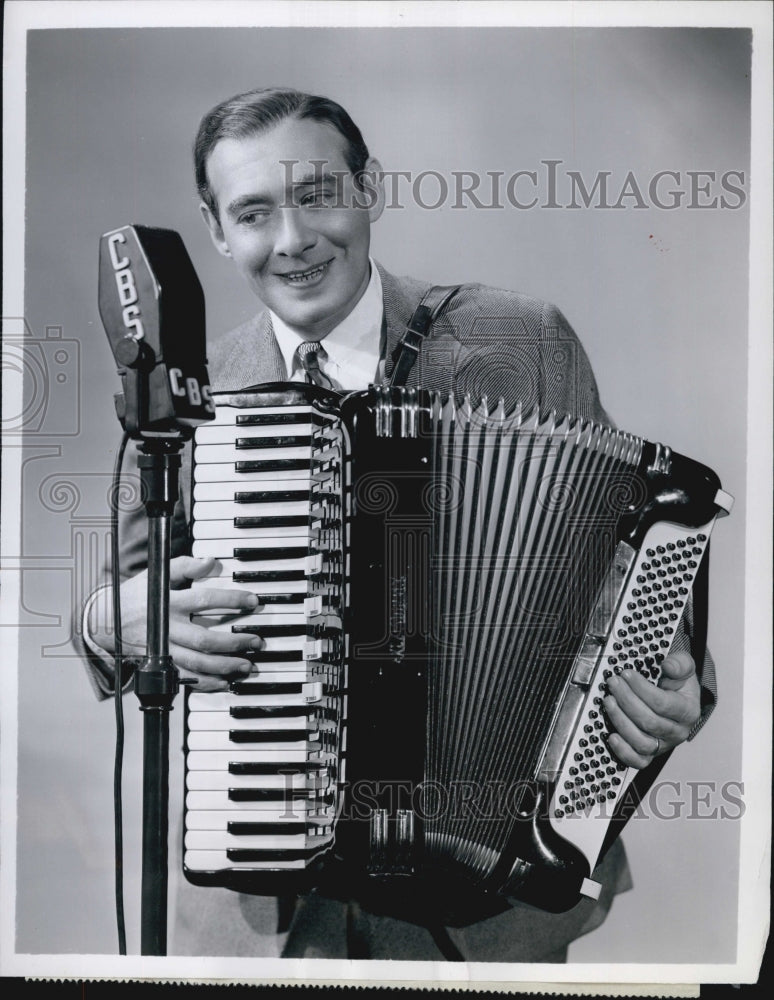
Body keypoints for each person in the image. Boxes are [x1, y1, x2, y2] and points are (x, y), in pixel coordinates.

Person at [77, 87, 712, 961]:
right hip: (265, 912)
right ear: (218, 230)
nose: (292, 239)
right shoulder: (189, 388)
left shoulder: (519, 342)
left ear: (367, 190)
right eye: (254, 212)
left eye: (317, 196)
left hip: (483, 909)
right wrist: (108, 622)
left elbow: (631, 578)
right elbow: (120, 602)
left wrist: (673, 690)